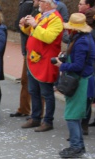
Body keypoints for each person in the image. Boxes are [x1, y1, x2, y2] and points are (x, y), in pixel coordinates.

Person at [53, 13, 95, 158]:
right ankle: (78, 145)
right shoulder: (83, 38)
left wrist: (62, 65)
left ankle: (76, 146)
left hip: (81, 81)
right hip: (83, 80)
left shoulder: (81, 41)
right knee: (75, 115)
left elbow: (78, 65)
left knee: (71, 116)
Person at [20, 0, 63, 132]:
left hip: (45, 61)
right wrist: (26, 25)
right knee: (33, 90)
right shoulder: (40, 16)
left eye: (42, 1)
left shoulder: (56, 19)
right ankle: (35, 117)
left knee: (46, 92)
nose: (38, 2)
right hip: (34, 59)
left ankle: (48, 121)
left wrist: (35, 25)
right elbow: (32, 32)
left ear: (48, 4)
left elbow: (48, 37)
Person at [10, 0, 34, 118]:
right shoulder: (31, 6)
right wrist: (22, 24)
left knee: (37, 84)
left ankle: (38, 115)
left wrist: (23, 25)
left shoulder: (29, 5)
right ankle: (24, 108)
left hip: (36, 52)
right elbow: (24, 28)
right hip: (28, 49)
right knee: (25, 81)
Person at [81, 8, 95, 135]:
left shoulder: (85, 34)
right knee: (88, 97)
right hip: (94, 68)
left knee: (82, 97)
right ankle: (85, 124)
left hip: (86, 68)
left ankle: (81, 124)